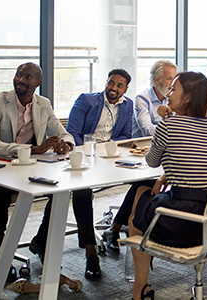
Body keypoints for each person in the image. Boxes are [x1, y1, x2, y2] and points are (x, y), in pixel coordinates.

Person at [0, 62, 81, 292]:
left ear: (38, 83)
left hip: (23, 171)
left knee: (59, 192)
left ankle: (41, 242)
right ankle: (1, 257)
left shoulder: (42, 104)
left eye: (28, 77)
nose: (21, 80)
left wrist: (66, 144)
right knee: (0, 195)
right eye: (18, 75)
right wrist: (31, 150)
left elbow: (63, 132)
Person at [127, 72, 207, 300]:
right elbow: (189, 160)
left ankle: (139, 288)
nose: (168, 94)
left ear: (187, 98)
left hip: (184, 220)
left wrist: (165, 121)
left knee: (134, 219)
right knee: (141, 192)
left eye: (173, 90)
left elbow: (151, 161)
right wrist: (165, 177)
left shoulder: (168, 125)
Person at [65, 69, 134, 279]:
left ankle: (114, 228)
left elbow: (125, 135)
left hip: (109, 159)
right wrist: (88, 152)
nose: (113, 88)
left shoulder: (127, 105)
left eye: (119, 85)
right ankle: (90, 252)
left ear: (125, 89)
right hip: (84, 157)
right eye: (111, 83)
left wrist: (109, 151)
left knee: (143, 182)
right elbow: (72, 132)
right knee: (82, 192)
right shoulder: (87, 100)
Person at [132, 60, 177, 137]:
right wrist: (172, 129)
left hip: (164, 143)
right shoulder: (142, 98)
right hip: (141, 145)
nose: (173, 83)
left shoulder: (173, 98)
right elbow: (147, 130)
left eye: (175, 79)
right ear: (157, 80)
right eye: (169, 78)